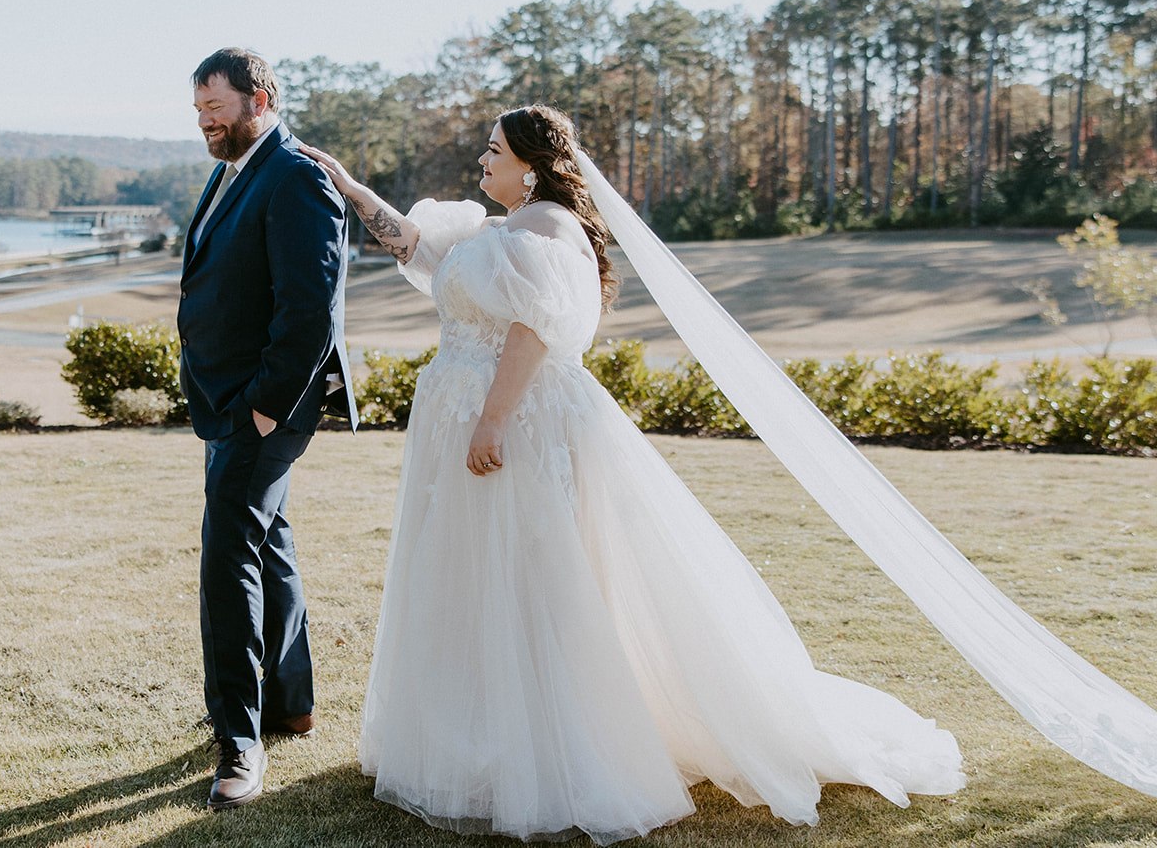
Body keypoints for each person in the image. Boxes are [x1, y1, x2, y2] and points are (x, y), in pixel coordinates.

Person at [302, 105, 966, 843]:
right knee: (472, 574)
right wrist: (352, 186)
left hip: (517, 423)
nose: (481, 164)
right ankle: (478, 733)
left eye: (493, 152)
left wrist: (492, 417)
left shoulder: (548, 229)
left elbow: (532, 327)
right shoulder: (497, 230)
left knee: (535, 575)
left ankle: (551, 741)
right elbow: (421, 249)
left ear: (532, 164)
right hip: (466, 416)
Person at [177, 48, 358, 810]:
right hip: (227, 401)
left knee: (226, 559)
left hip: (265, 407)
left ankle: (239, 743)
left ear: (260, 97)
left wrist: (263, 405)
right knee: (268, 540)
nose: (205, 121)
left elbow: (309, 308)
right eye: (198, 111)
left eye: (215, 107)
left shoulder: (295, 174)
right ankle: (292, 699)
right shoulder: (234, 166)